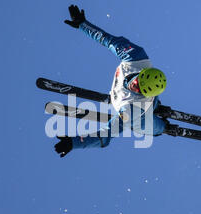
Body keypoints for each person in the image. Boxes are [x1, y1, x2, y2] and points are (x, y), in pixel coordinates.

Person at [55, 5, 169, 157]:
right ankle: (155, 105)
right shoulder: (136, 57)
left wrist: (74, 143)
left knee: (144, 125)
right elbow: (108, 40)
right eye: (138, 82)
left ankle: (163, 125)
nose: (135, 86)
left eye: (139, 90)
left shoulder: (132, 110)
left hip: (136, 112)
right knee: (141, 111)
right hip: (130, 103)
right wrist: (83, 25)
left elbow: (107, 134)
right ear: (142, 73)